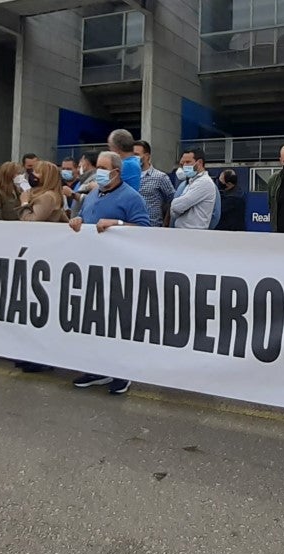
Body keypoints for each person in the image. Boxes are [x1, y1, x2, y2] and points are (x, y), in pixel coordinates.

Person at [65, 150, 151, 395]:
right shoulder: (93, 194)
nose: (98, 172)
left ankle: (122, 373)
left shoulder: (132, 198)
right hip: (92, 268)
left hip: (119, 271)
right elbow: (83, 216)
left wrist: (118, 224)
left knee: (118, 323)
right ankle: (97, 369)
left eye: (103, 168)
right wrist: (77, 222)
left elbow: (145, 229)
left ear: (115, 172)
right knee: (94, 321)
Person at [169, 147, 217, 230]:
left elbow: (177, 207)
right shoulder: (191, 182)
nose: (184, 166)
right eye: (182, 164)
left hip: (193, 233)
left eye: (188, 162)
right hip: (184, 232)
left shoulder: (204, 182)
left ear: (199, 163)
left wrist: (175, 204)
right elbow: (175, 210)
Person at [134, 140, 174, 226]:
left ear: (147, 156)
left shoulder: (160, 177)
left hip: (152, 226)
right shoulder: (128, 177)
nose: (134, 158)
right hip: (131, 225)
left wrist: (166, 223)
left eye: (136, 155)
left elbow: (172, 199)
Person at [68, 152, 99, 217]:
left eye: (81, 161)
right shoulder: (82, 181)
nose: (79, 164)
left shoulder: (96, 179)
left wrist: (72, 194)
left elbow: (93, 201)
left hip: (85, 223)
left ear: (87, 162)